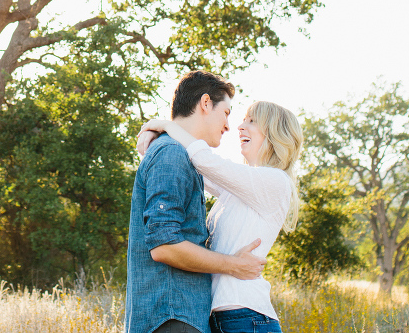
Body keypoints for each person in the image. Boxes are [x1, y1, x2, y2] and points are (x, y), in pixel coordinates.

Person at [137, 99, 303, 333]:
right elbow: (190, 167)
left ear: (275, 132)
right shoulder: (239, 189)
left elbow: (205, 160)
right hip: (224, 318)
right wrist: (155, 139)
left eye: (252, 121)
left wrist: (165, 125)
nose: (240, 126)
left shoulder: (275, 182)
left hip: (247, 317)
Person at [125, 71, 267, 333]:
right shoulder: (171, 153)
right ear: (205, 103)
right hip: (172, 316)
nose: (228, 125)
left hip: (178, 315)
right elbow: (164, 246)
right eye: (226, 113)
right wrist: (234, 264)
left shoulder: (180, 155)